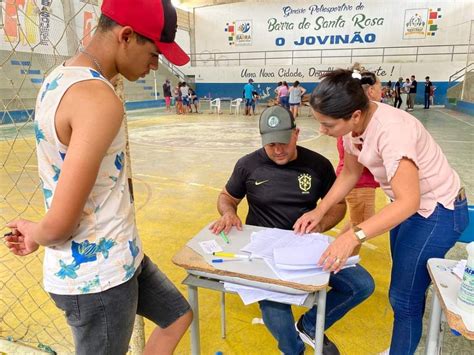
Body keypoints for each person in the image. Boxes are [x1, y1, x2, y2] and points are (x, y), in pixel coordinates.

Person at [4, 1, 193, 354]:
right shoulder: (98, 99)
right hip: (97, 278)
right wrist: (39, 231)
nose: (155, 67)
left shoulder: (59, 76)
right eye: (154, 54)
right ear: (126, 35)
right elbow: (61, 224)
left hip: (120, 255)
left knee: (177, 315)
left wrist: (39, 235)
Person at [294, 69, 469, 355]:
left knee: (404, 298)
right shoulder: (356, 127)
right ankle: (404, 342)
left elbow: (409, 201)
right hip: (409, 207)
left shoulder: (392, 132)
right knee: (405, 289)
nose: (322, 131)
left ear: (354, 115)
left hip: (437, 211)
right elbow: (350, 173)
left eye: (327, 125)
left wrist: (354, 236)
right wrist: (321, 208)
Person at [210, 106, 375, 355]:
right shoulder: (248, 165)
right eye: (271, 144)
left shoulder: (317, 165)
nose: (278, 150)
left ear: (296, 133)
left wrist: (320, 224)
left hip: (305, 246)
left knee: (361, 284)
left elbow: (338, 205)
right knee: (274, 307)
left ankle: (308, 325)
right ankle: (293, 350)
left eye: (284, 142)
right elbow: (227, 197)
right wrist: (229, 212)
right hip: (263, 252)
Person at [336, 70, 380, 245]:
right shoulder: (362, 122)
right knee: (361, 229)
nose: (381, 91)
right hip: (359, 182)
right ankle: (336, 258)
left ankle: (334, 250)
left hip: (360, 181)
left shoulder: (359, 116)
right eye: (379, 87)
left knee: (358, 224)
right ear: (370, 91)